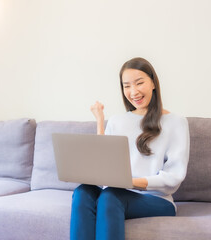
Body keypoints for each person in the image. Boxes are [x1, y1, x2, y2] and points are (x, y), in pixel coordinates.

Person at [70, 57, 190, 240]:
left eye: (139, 83)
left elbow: (174, 178)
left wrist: (130, 181)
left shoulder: (176, 122)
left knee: (111, 195)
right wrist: (100, 121)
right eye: (126, 86)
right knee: (82, 192)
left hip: (157, 199)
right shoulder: (118, 121)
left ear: (153, 83)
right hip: (116, 191)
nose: (133, 91)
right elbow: (103, 164)